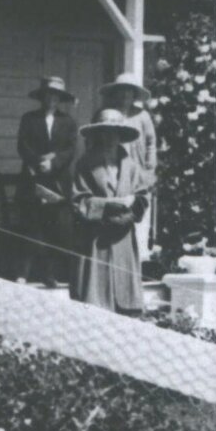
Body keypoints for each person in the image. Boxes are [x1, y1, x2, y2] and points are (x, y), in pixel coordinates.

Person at [69, 109, 149, 313]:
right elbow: (79, 200)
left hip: (123, 235)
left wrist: (129, 213)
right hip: (97, 236)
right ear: (97, 135)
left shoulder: (130, 165)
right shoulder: (86, 163)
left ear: (121, 136)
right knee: (96, 297)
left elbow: (142, 197)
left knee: (124, 292)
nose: (109, 138)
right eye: (104, 132)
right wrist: (108, 205)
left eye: (114, 132)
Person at [15, 74, 80, 286]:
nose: (51, 99)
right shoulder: (29, 119)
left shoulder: (68, 122)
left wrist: (53, 163)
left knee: (55, 228)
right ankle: (23, 273)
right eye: (48, 95)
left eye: (56, 96)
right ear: (42, 97)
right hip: (33, 178)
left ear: (60, 98)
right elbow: (23, 146)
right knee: (32, 225)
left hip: (58, 181)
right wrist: (38, 162)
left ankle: (49, 274)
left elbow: (70, 150)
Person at [100, 73, 159, 255]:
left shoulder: (142, 116)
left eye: (129, 93)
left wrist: (149, 171)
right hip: (114, 170)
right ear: (115, 94)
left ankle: (139, 256)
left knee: (138, 211)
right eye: (121, 92)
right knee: (116, 210)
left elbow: (151, 143)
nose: (125, 97)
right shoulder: (107, 114)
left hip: (138, 171)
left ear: (134, 95)